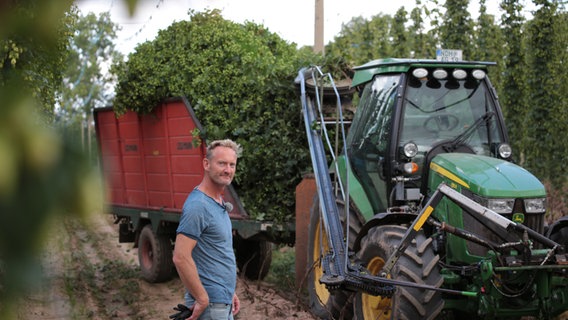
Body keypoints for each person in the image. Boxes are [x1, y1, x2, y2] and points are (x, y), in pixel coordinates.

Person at [172, 139, 242, 320]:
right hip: (210, 308)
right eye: (222, 163)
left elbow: (216, 252)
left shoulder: (217, 202)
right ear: (206, 164)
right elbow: (180, 256)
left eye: (231, 164)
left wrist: (228, 292)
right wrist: (202, 298)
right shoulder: (198, 205)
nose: (228, 170)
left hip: (221, 302)